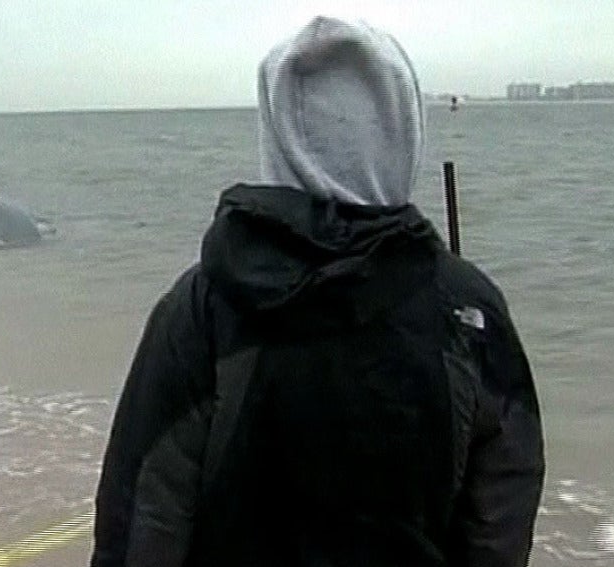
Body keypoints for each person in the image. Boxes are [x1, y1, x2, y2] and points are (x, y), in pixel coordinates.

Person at [91, 15, 544, 567]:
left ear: (276, 133)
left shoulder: (203, 305)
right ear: (403, 126)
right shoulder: (466, 307)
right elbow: (500, 514)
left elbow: (142, 516)